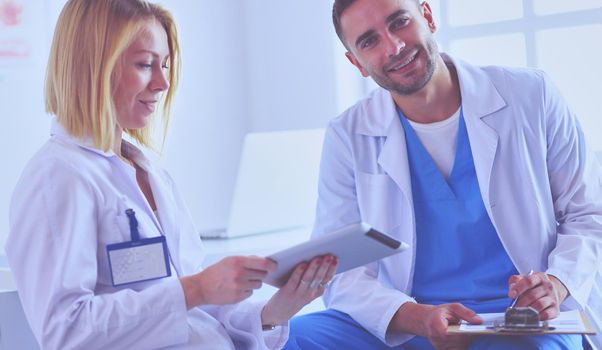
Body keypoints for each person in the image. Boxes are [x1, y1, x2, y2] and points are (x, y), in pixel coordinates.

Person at [5, 0, 337, 349]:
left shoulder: (149, 172)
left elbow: (198, 311)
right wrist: (196, 288)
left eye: (165, 65)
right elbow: (66, 332)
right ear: (93, 65)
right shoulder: (58, 177)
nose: (163, 82)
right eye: (146, 64)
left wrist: (274, 311)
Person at [284, 0, 602, 349]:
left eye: (399, 22)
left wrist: (556, 283)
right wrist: (413, 317)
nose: (394, 47)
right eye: (369, 42)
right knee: (290, 339)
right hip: (409, 316)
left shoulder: (530, 94)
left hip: (517, 317)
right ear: (356, 62)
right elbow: (339, 269)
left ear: (428, 16)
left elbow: (588, 213)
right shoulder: (348, 135)